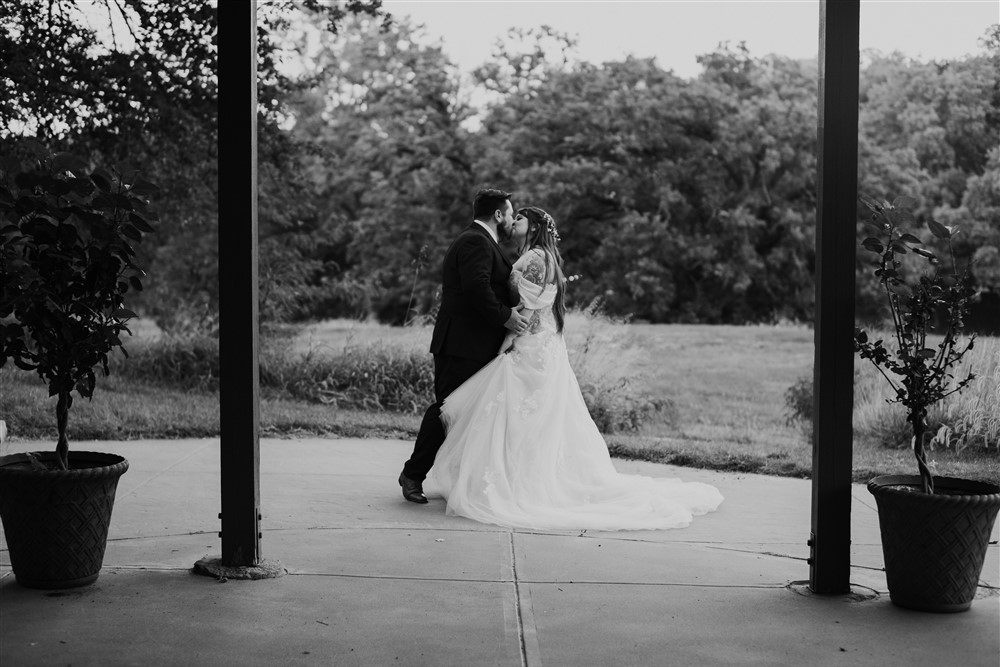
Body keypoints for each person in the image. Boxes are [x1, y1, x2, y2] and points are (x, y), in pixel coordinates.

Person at [424, 207, 724, 530]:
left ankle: (513, 485)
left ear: (534, 226)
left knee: (515, 418)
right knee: (525, 420)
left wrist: (504, 343)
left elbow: (526, 312)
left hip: (529, 345)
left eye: (520, 219)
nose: (514, 223)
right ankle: (514, 478)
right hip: (544, 346)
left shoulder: (534, 260)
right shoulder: (545, 258)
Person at [399, 188, 530, 504]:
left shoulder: (486, 243)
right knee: (447, 409)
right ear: (498, 215)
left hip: (476, 343)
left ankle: (464, 480)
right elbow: (476, 289)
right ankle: (412, 475)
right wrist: (507, 319)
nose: (512, 220)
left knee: (467, 412)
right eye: (510, 214)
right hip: (461, 343)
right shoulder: (474, 241)